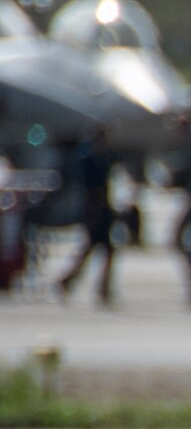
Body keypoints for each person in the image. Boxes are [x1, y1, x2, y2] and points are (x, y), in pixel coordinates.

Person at [57, 129, 118, 305]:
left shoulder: (100, 158)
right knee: (99, 249)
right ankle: (97, 287)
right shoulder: (90, 160)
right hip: (94, 209)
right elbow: (92, 188)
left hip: (102, 208)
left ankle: (72, 281)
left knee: (96, 249)